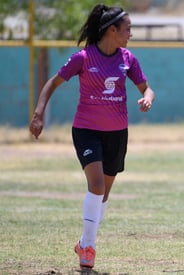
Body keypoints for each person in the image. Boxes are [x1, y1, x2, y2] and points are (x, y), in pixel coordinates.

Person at [29, 4, 155, 270]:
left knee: (103, 195)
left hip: (117, 133)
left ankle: (84, 242)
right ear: (112, 30)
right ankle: (89, 247)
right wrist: (38, 113)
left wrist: (147, 97)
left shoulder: (128, 59)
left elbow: (147, 88)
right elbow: (52, 82)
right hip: (87, 131)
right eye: (127, 29)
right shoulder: (83, 58)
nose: (130, 34)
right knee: (96, 186)